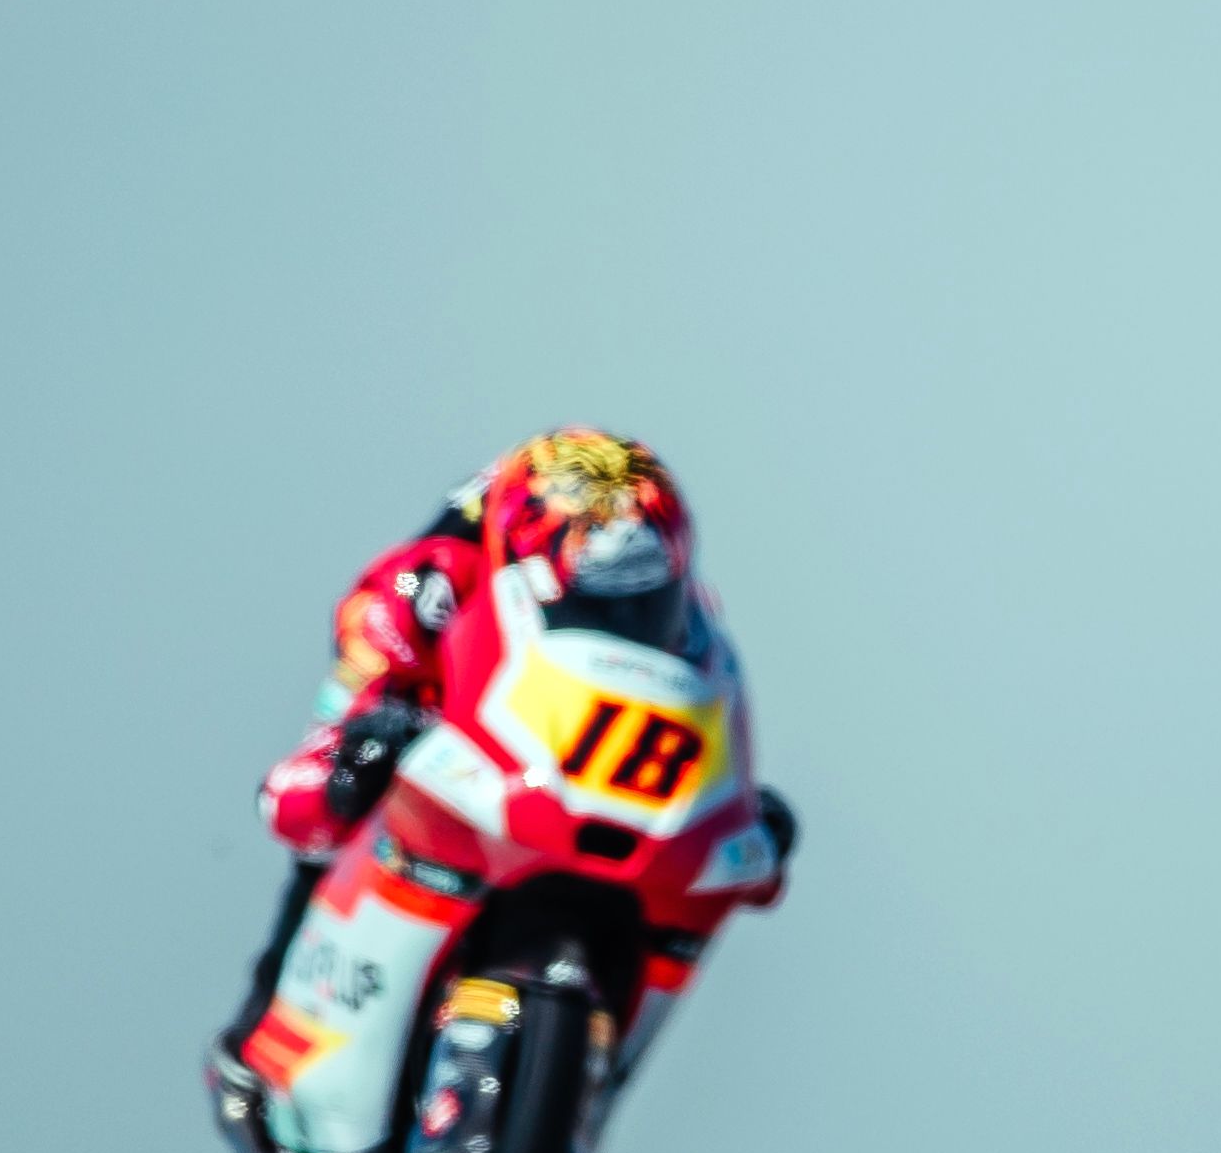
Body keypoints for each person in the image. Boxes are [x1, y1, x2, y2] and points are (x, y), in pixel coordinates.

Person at [205, 432, 787, 1113]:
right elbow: (300, 788)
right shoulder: (427, 581)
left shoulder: (698, 623)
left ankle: (580, 1087)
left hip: (570, 783)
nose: (623, 616)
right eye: (601, 600)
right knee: (334, 795)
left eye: (640, 598)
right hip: (443, 710)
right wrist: (355, 747)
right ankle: (264, 1016)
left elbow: (713, 720)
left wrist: (739, 811)